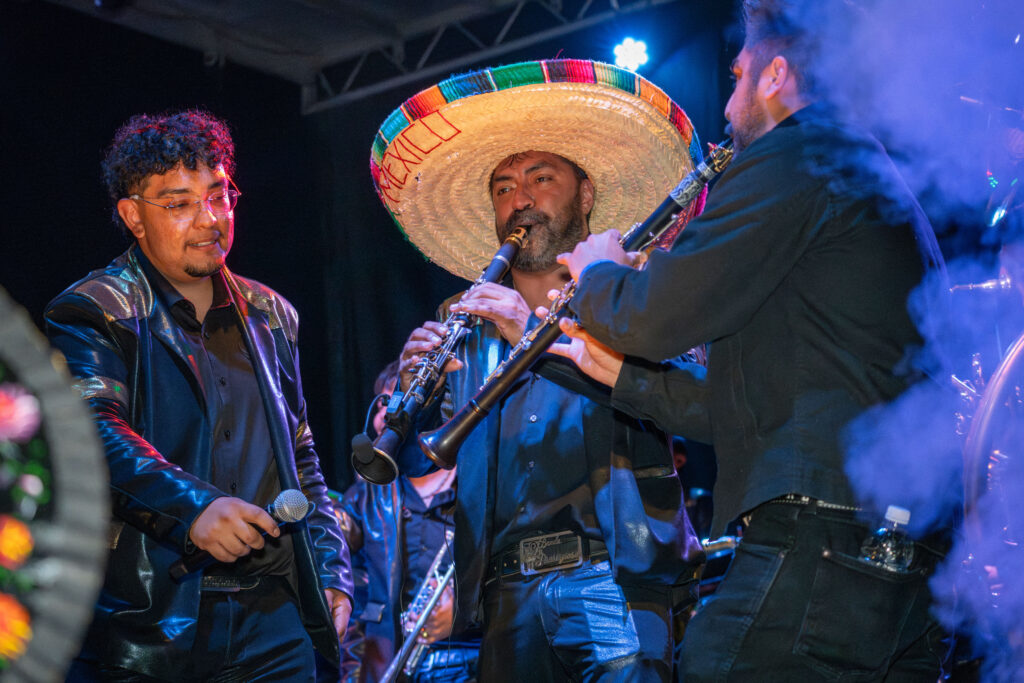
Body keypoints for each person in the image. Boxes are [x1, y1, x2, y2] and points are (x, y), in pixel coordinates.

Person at [553, 1, 950, 679]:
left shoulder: (800, 152)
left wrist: (600, 275)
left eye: (737, 77)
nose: (730, 105)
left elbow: (650, 316)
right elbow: (745, 406)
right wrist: (620, 376)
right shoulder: (866, 176)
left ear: (775, 75)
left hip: (821, 544)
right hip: (893, 565)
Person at [369, 59, 706, 682]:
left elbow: (688, 398)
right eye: (502, 187)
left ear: (585, 193)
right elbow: (418, 469)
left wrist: (529, 333)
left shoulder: (635, 291)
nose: (518, 199)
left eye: (540, 178)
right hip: (504, 597)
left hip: (611, 580)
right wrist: (401, 405)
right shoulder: (463, 321)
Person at [45, 110, 353, 681]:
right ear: (133, 216)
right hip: (155, 620)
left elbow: (301, 453)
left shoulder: (272, 315)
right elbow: (88, 430)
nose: (209, 218)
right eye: (179, 203)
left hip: (274, 614)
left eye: (218, 195)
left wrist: (332, 571)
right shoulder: (96, 307)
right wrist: (197, 508)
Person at [336, 361, 479, 682]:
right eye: (382, 405)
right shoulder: (366, 495)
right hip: (392, 665)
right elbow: (343, 567)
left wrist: (466, 610)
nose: (385, 417)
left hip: (474, 660)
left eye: (399, 403)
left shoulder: (479, 482)